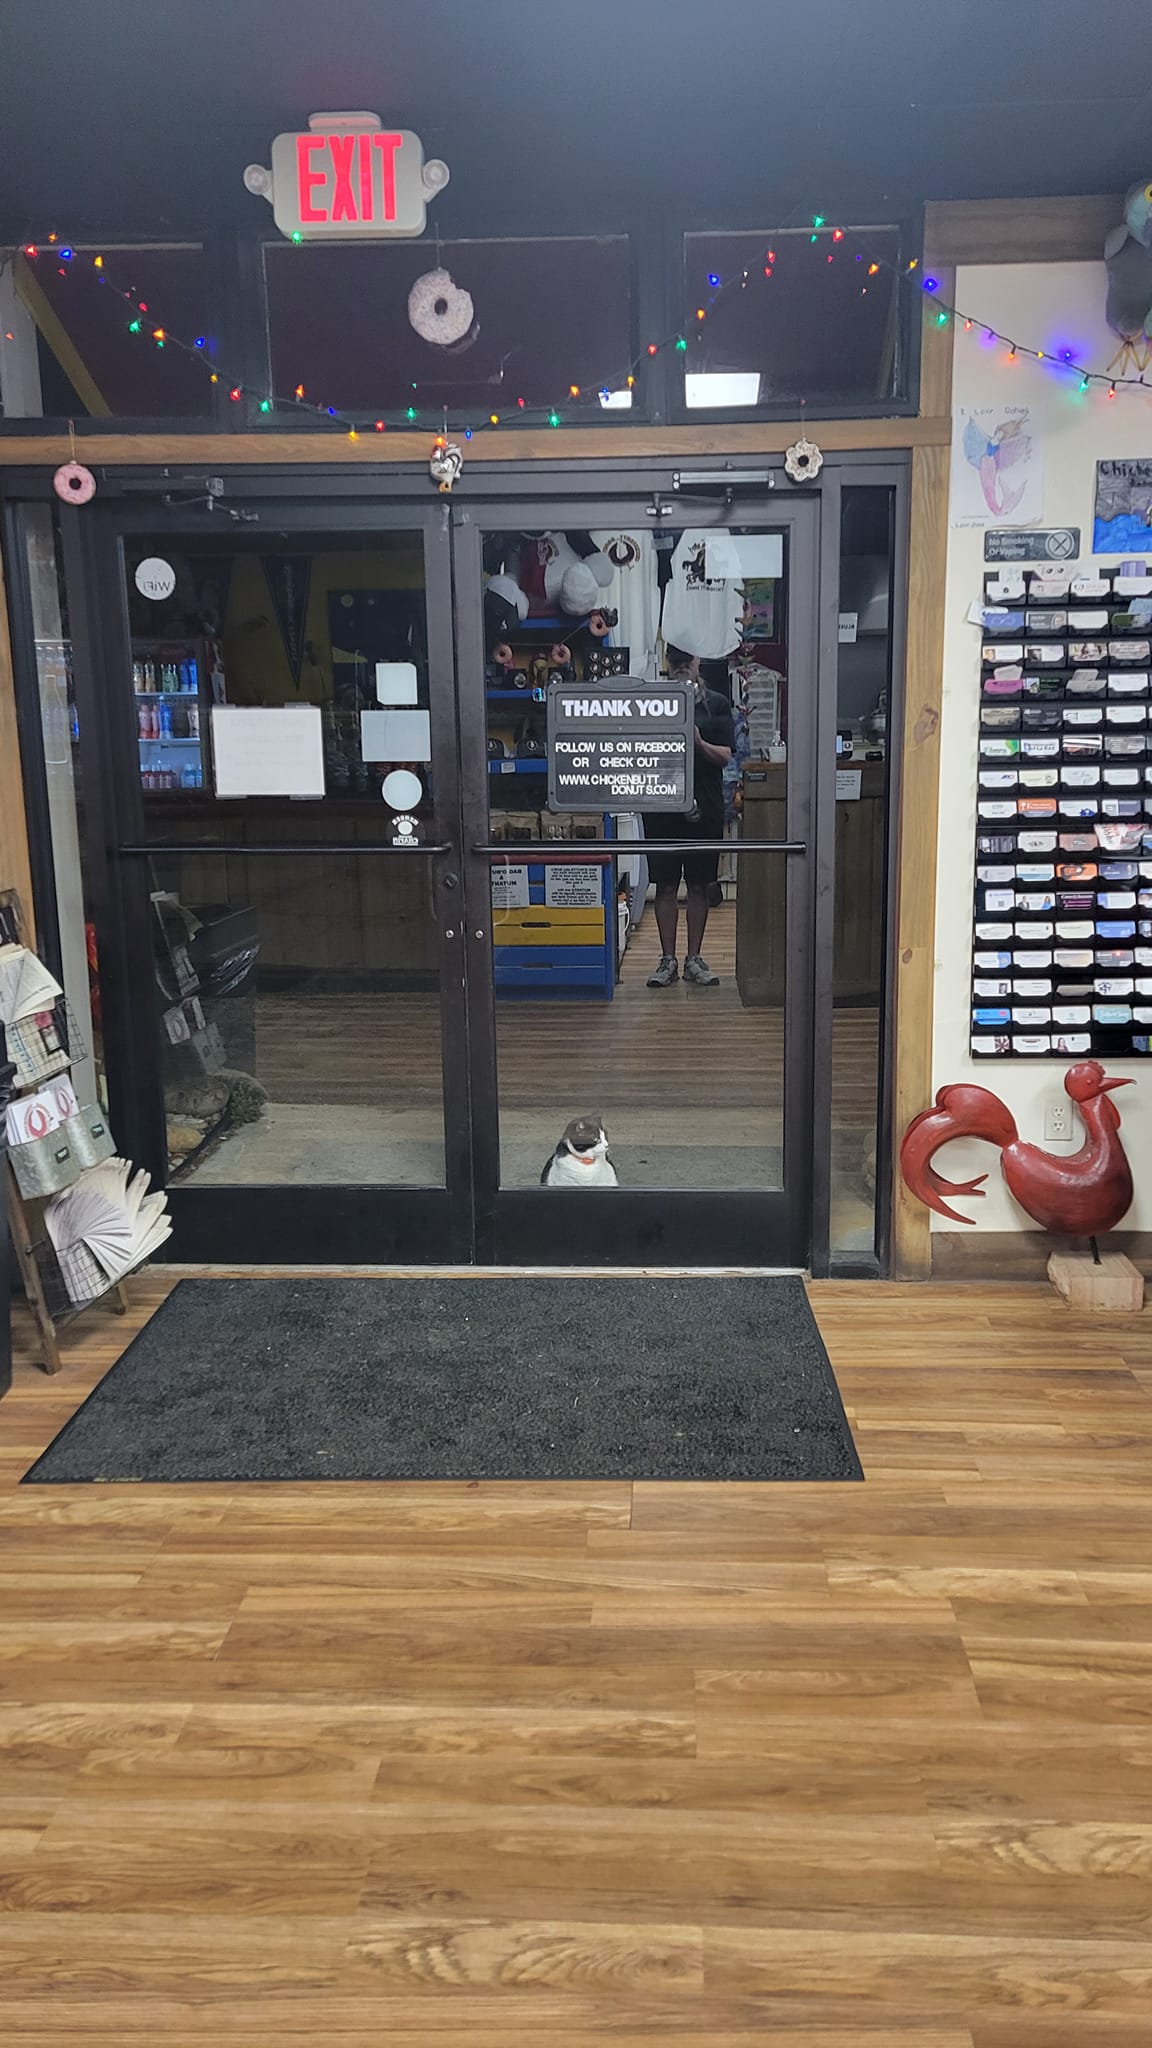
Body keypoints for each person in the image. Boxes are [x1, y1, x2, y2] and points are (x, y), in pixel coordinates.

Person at [643, 646, 734, 987]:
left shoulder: (717, 704)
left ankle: (694, 959)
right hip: (660, 804)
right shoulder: (651, 704)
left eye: (687, 659)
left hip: (705, 804)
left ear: (698, 661)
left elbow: (725, 756)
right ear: (667, 663)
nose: (681, 665)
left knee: (699, 884)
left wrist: (697, 743)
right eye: (675, 660)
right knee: (665, 884)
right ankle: (667, 961)